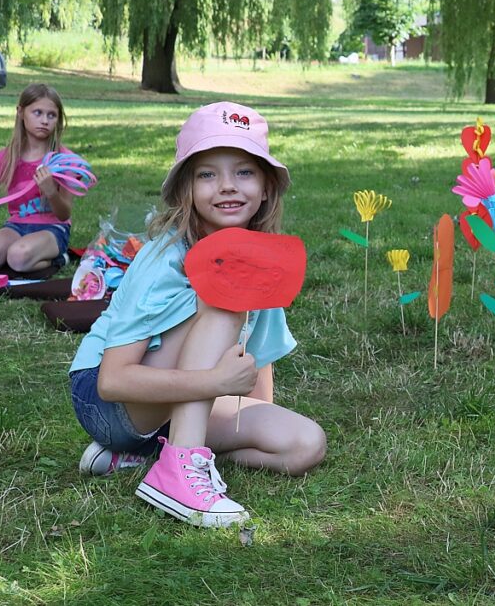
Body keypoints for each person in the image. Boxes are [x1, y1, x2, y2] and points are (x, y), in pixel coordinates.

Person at [69, 102, 325, 528]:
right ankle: (177, 475)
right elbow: (113, 380)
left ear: (265, 188)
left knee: (304, 444)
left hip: (170, 408)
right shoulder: (165, 258)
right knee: (225, 296)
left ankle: (148, 456)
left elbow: (255, 377)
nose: (227, 186)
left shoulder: (261, 258)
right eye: (208, 174)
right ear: (187, 189)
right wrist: (213, 383)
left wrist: (252, 413)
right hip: (105, 400)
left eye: (244, 172)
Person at [0, 83, 79, 272]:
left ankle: (59, 258)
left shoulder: (64, 160)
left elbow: (64, 214)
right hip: (16, 226)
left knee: (17, 257)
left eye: (51, 115)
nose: (45, 120)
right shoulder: (8, 156)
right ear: (21, 112)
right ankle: (20, 256)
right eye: (37, 113)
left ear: (58, 119)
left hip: (53, 229)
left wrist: (51, 192)